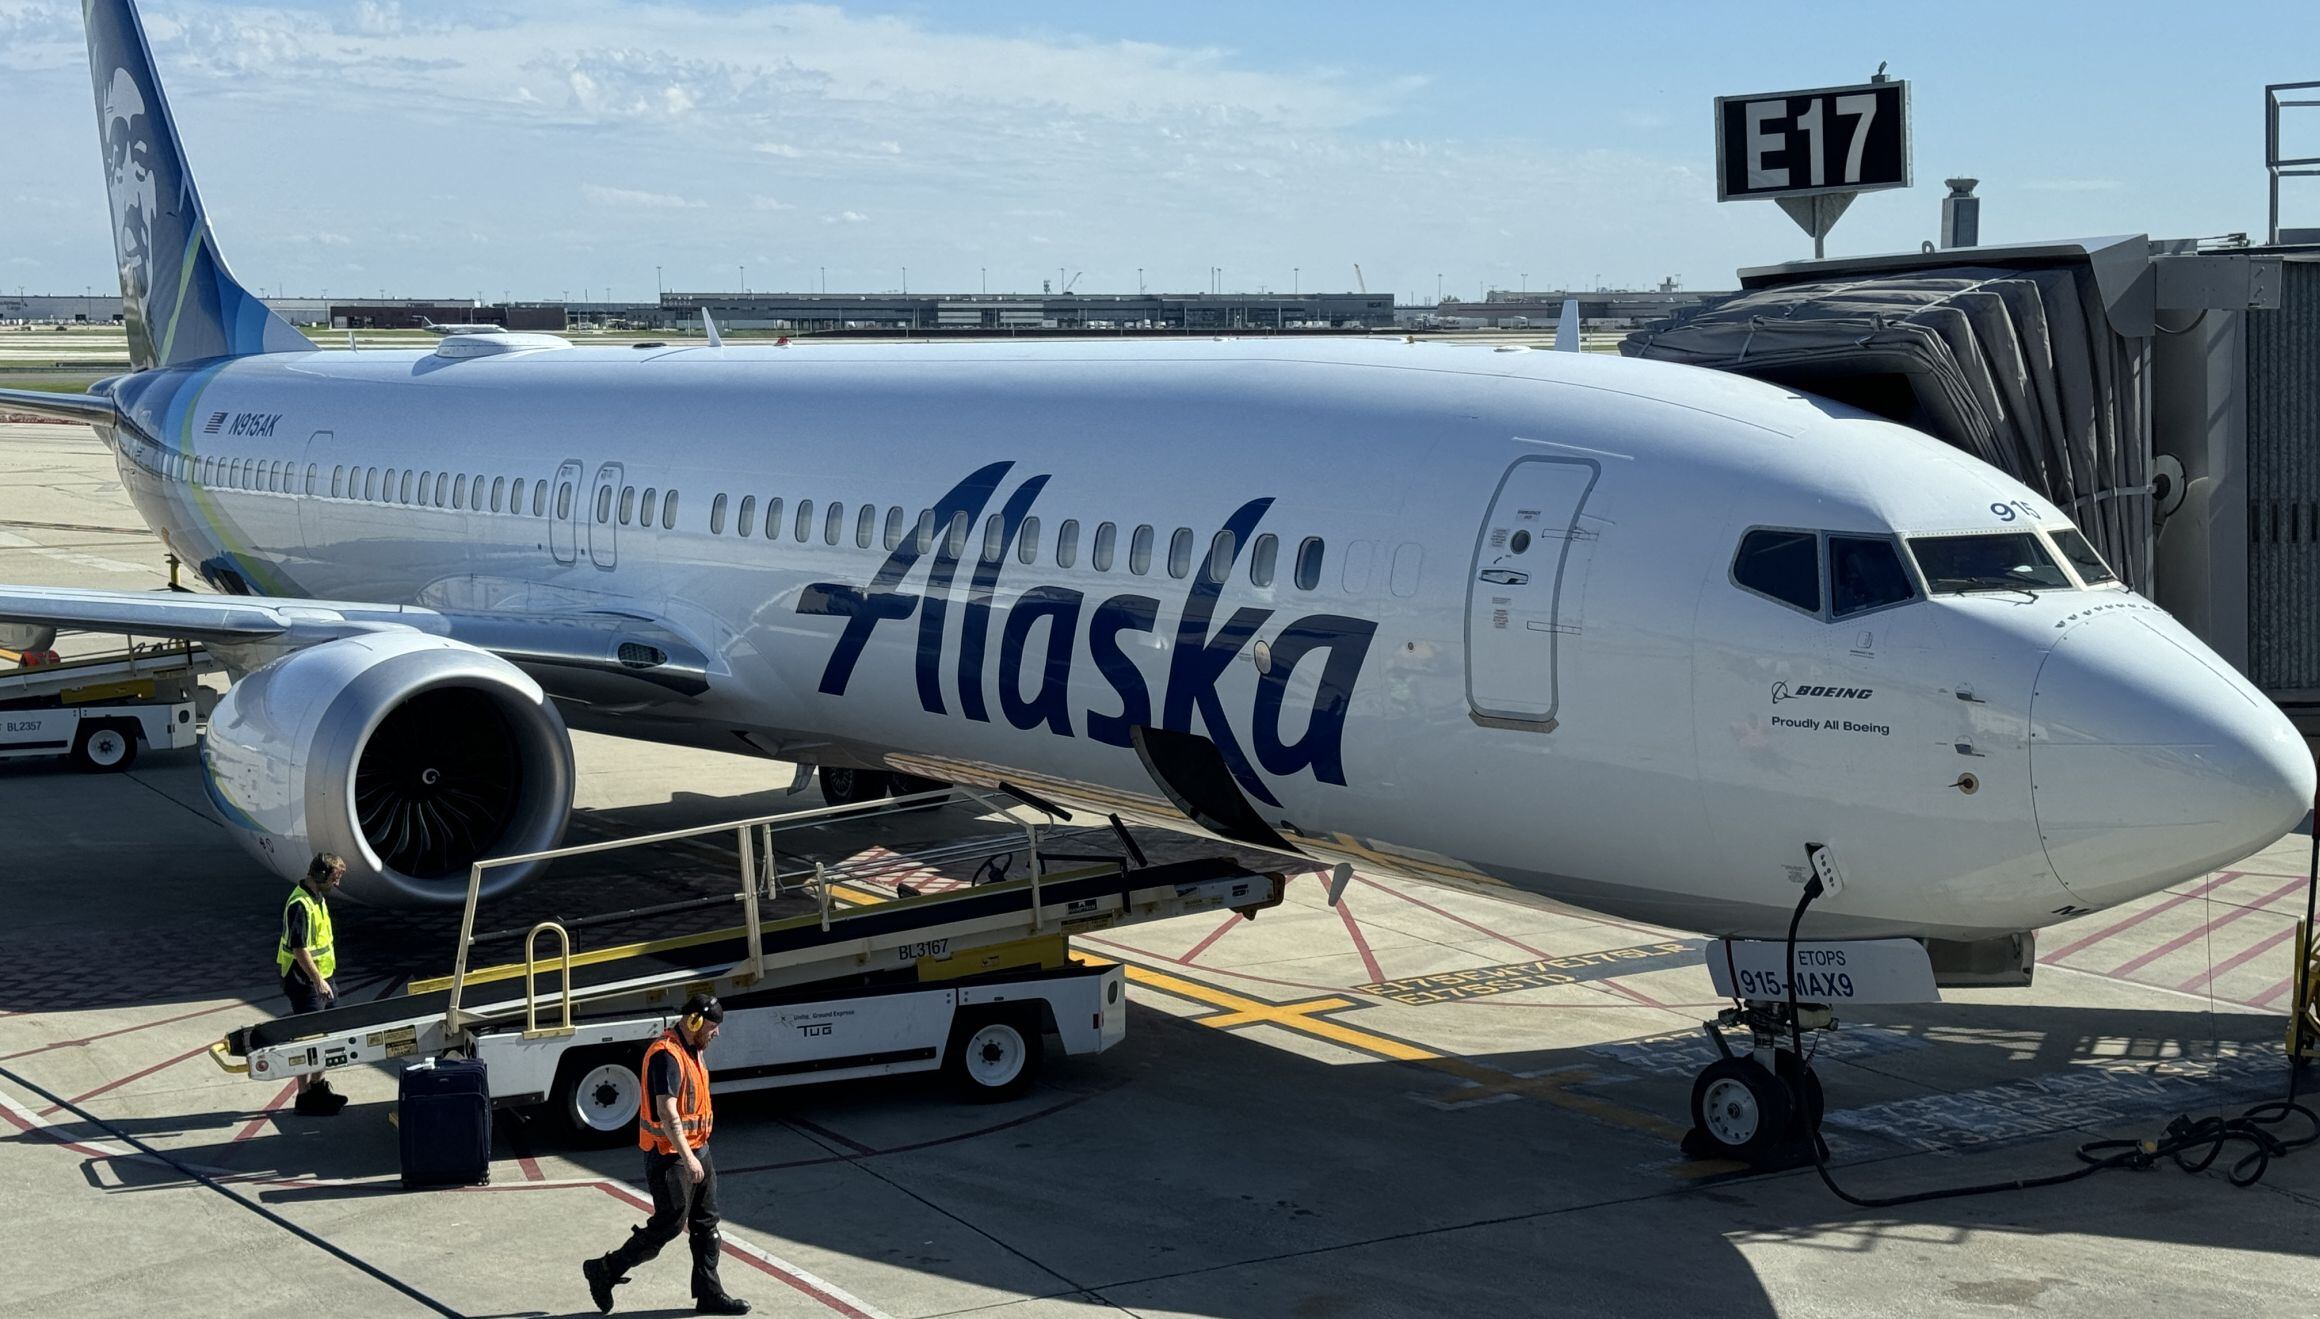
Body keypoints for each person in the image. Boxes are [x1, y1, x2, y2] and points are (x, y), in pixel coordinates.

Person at [584, 993, 750, 1315]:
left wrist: (696, 1152)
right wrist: (688, 1158)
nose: (716, 1034)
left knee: (707, 1225)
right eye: (713, 1027)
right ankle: (604, 1270)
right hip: (669, 1154)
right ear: (694, 1022)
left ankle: (709, 1294)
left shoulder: (693, 1050)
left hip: (698, 1147)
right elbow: (667, 1111)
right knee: (669, 1225)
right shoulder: (666, 1055)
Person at [277, 852, 347, 1115]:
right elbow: (299, 948)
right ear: (320, 875)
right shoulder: (300, 904)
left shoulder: (316, 898)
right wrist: (318, 980)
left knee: (325, 1034)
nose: (337, 883)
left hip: (322, 978)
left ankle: (317, 1088)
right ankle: (305, 1097)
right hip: (304, 979)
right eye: (335, 878)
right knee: (309, 1039)